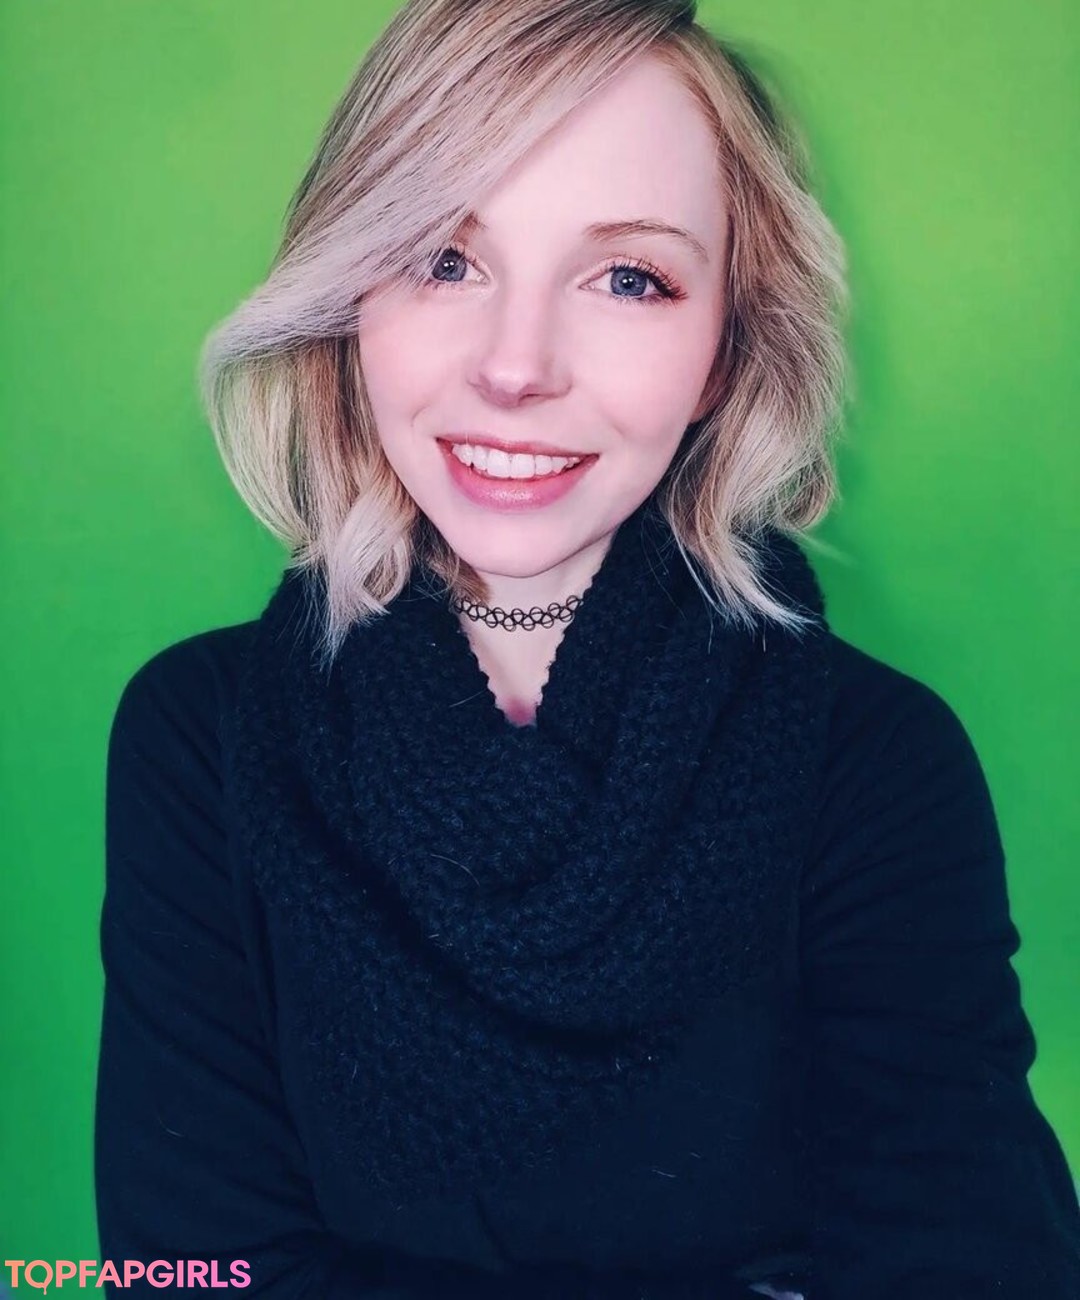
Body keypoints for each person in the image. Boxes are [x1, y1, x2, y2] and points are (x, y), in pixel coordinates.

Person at [94, 1, 1080, 1296]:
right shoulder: (204, 735)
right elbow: (194, 1271)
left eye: (629, 279)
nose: (516, 367)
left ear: (725, 347)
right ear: (348, 297)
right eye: (444, 257)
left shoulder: (875, 759)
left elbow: (979, 1259)